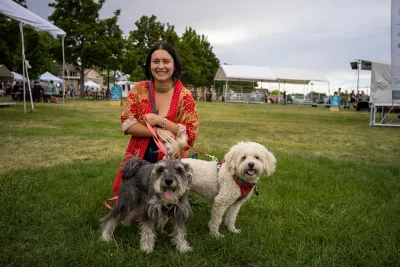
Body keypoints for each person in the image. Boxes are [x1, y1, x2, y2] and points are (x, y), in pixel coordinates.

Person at [111, 41, 199, 196]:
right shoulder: (139, 89)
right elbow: (127, 124)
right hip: (140, 155)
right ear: (149, 65)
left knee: (165, 207)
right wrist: (156, 131)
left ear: (174, 64)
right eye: (155, 61)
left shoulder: (185, 96)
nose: (161, 66)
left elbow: (190, 135)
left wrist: (160, 120)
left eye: (166, 61)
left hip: (171, 161)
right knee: (132, 205)